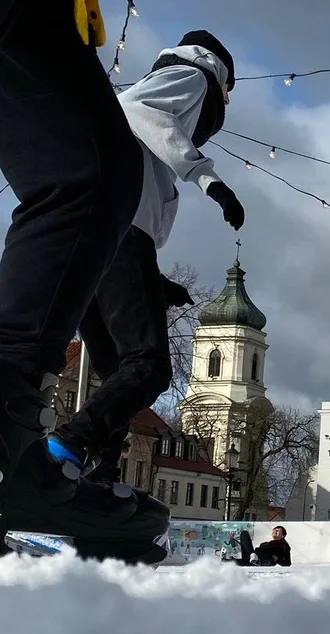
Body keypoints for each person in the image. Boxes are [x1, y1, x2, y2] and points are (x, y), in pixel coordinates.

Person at [0, 0, 170, 563]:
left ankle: (17, 452)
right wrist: (211, 178)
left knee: (91, 173)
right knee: (89, 173)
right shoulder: (194, 78)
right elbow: (154, 116)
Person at [46, 30, 244, 488]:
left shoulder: (142, 139)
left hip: (94, 238)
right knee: (148, 365)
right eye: (230, 92)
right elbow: (140, 111)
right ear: (222, 75)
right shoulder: (193, 77)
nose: (227, 105)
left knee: (117, 370)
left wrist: (151, 279)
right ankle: (66, 448)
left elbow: (134, 161)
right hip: (117, 232)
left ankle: (100, 478)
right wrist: (210, 181)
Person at [225, 527, 291, 567]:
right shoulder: (265, 544)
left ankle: (253, 556)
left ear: (283, 535)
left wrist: (277, 559)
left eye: (278, 530)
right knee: (244, 533)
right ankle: (224, 558)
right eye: (274, 530)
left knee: (243, 560)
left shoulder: (283, 545)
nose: (275, 531)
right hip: (252, 558)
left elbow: (287, 563)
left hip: (264, 560)